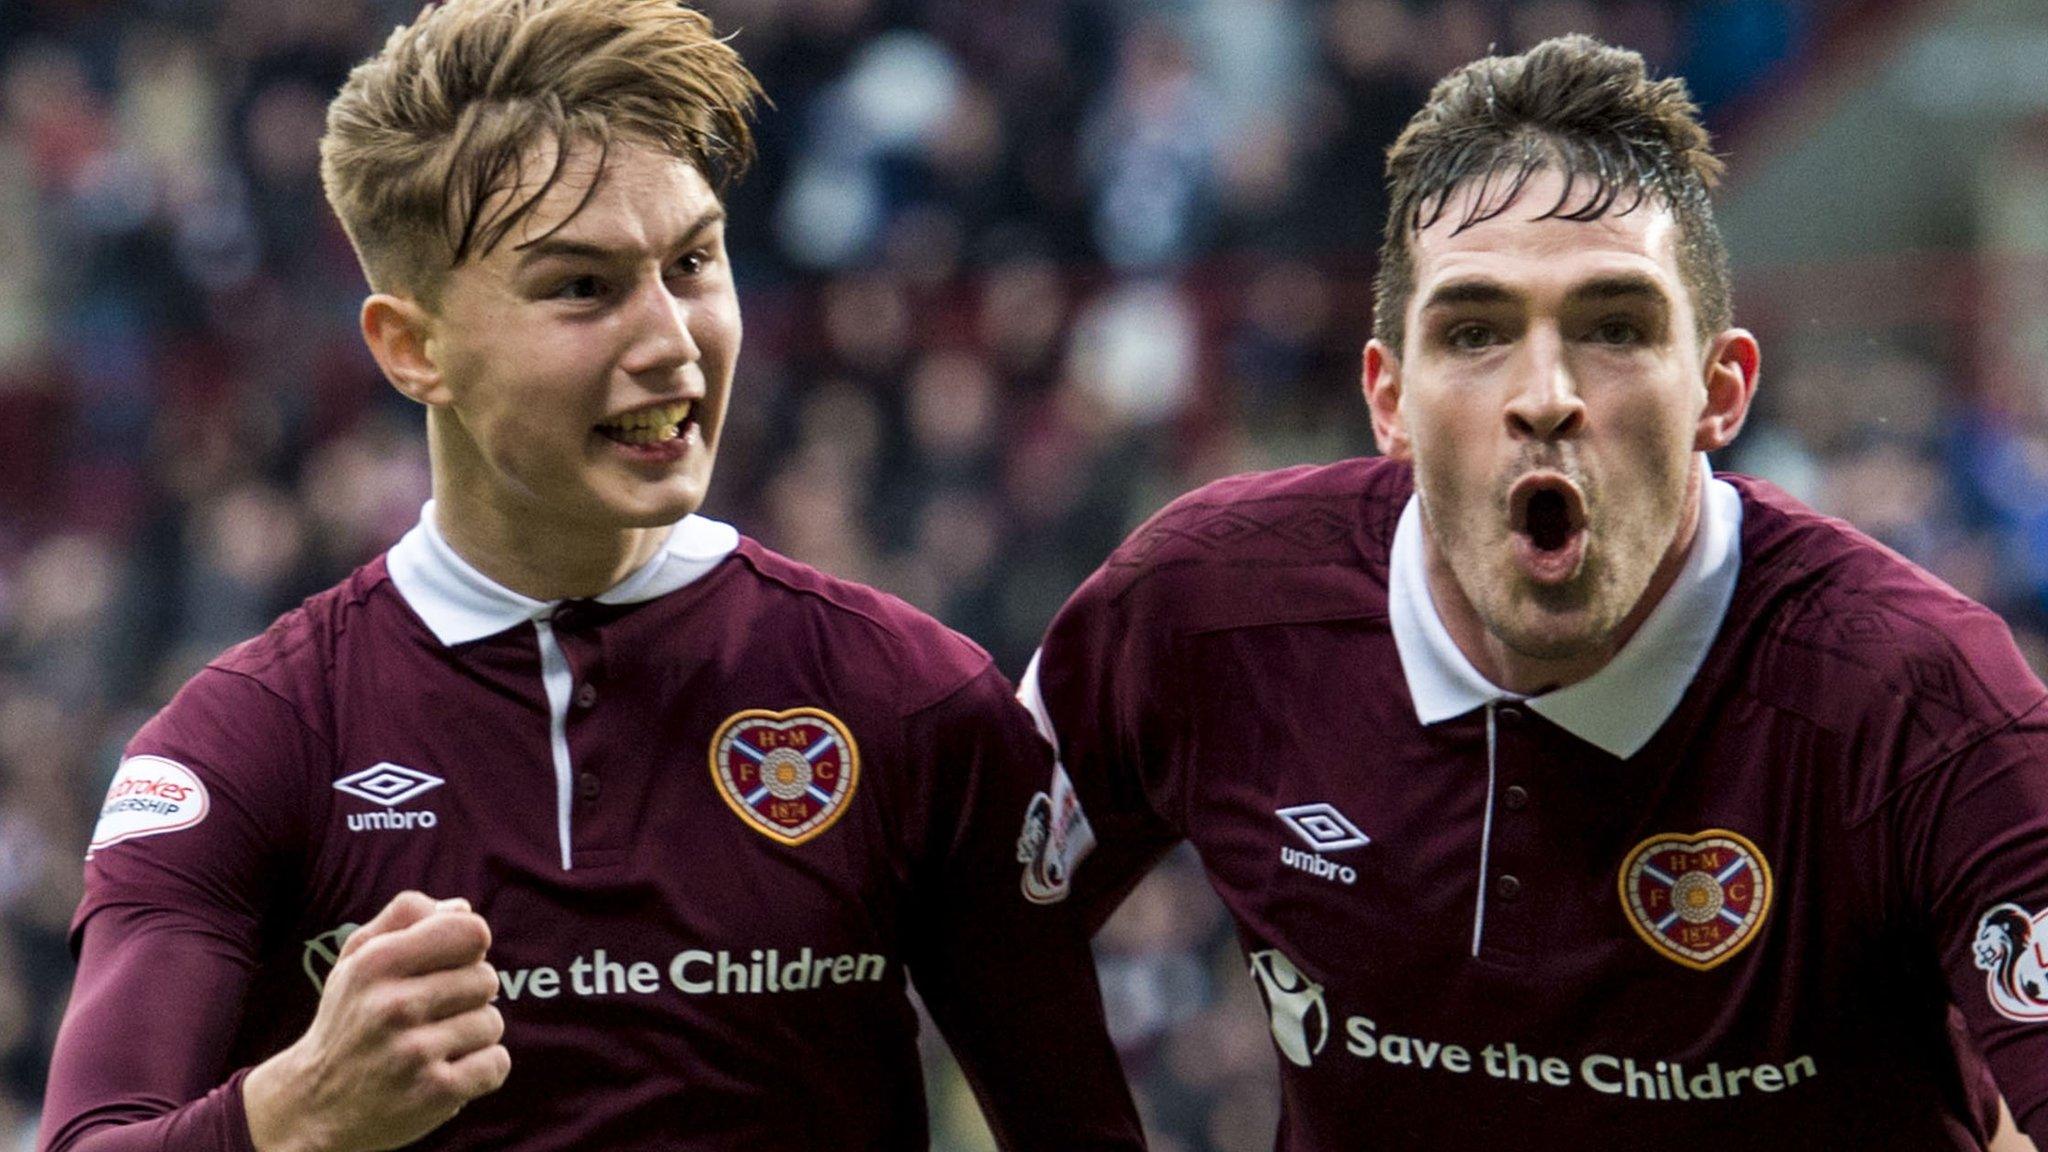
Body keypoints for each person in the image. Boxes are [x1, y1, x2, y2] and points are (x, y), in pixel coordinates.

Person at [38, 2, 1144, 1150]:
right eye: (580, 287)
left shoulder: (913, 701)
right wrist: (294, 1110)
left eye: (692, 263)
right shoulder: (248, 743)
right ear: (412, 347)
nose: (671, 338)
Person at [1018, 34, 2048, 1150]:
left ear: (1719, 390)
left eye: (1612, 328)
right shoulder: (1201, 614)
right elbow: (943, 928)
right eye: (1473, 332)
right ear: (1388, 397)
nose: (1544, 396)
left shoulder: (1920, 699)